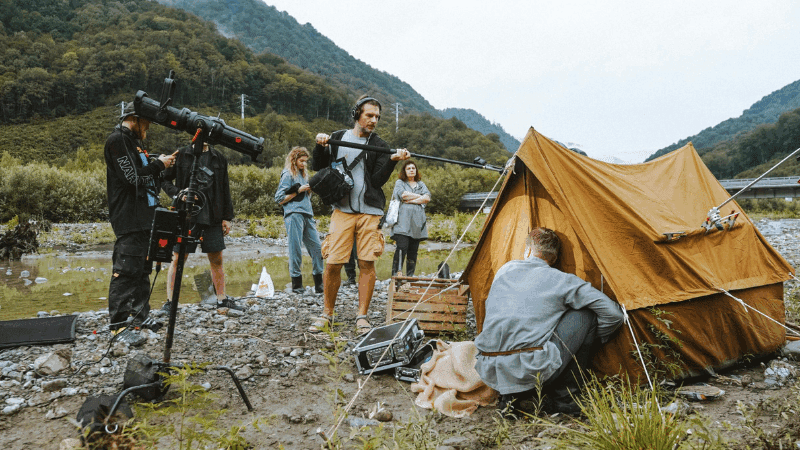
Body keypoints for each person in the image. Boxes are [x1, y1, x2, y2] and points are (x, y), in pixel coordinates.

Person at [474, 227, 624, 417]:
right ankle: (566, 401)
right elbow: (613, 314)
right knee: (586, 315)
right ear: (553, 259)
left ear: (528, 251)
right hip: (532, 369)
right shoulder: (562, 279)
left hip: (490, 369)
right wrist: (592, 339)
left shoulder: (504, 270)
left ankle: (509, 398)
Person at [311, 95, 410, 334]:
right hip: (341, 210)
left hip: (370, 211)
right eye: (369, 115)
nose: (374, 120)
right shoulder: (336, 138)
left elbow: (377, 181)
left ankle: (362, 316)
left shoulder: (380, 144)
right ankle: (327, 314)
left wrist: (392, 160)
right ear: (357, 114)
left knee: (367, 262)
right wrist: (319, 144)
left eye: (377, 117)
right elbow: (317, 165)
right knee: (333, 263)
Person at [105, 102, 174, 345]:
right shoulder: (117, 140)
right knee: (125, 270)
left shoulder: (134, 142)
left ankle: (140, 317)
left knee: (143, 269)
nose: (149, 127)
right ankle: (118, 326)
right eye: (147, 122)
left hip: (145, 216)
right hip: (129, 216)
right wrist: (159, 165)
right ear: (134, 118)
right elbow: (131, 177)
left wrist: (160, 165)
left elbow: (143, 173)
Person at [161, 141, 242, 311]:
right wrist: (179, 194)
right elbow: (165, 180)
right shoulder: (181, 154)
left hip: (213, 215)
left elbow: (224, 187)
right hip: (186, 214)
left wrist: (227, 218)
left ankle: (222, 299)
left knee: (216, 258)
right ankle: (171, 302)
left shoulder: (218, 158)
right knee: (178, 258)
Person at [274, 146, 324, 295]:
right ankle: (296, 284)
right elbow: (279, 199)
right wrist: (298, 191)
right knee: (295, 248)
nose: (304, 164)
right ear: (294, 160)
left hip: (308, 214)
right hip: (294, 214)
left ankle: (319, 283)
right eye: (302, 161)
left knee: (317, 248)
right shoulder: (288, 174)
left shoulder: (304, 174)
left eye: (306, 161)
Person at [390, 160, 430, 277]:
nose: (411, 170)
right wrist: (420, 197)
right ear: (404, 171)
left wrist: (412, 200)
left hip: (417, 223)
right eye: (409, 168)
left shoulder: (421, 184)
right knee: (402, 248)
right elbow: (403, 195)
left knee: (413, 251)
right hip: (402, 222)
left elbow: (427, 198)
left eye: (413, 168)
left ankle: (409, 276)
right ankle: (396, 275)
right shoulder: (400, 182)